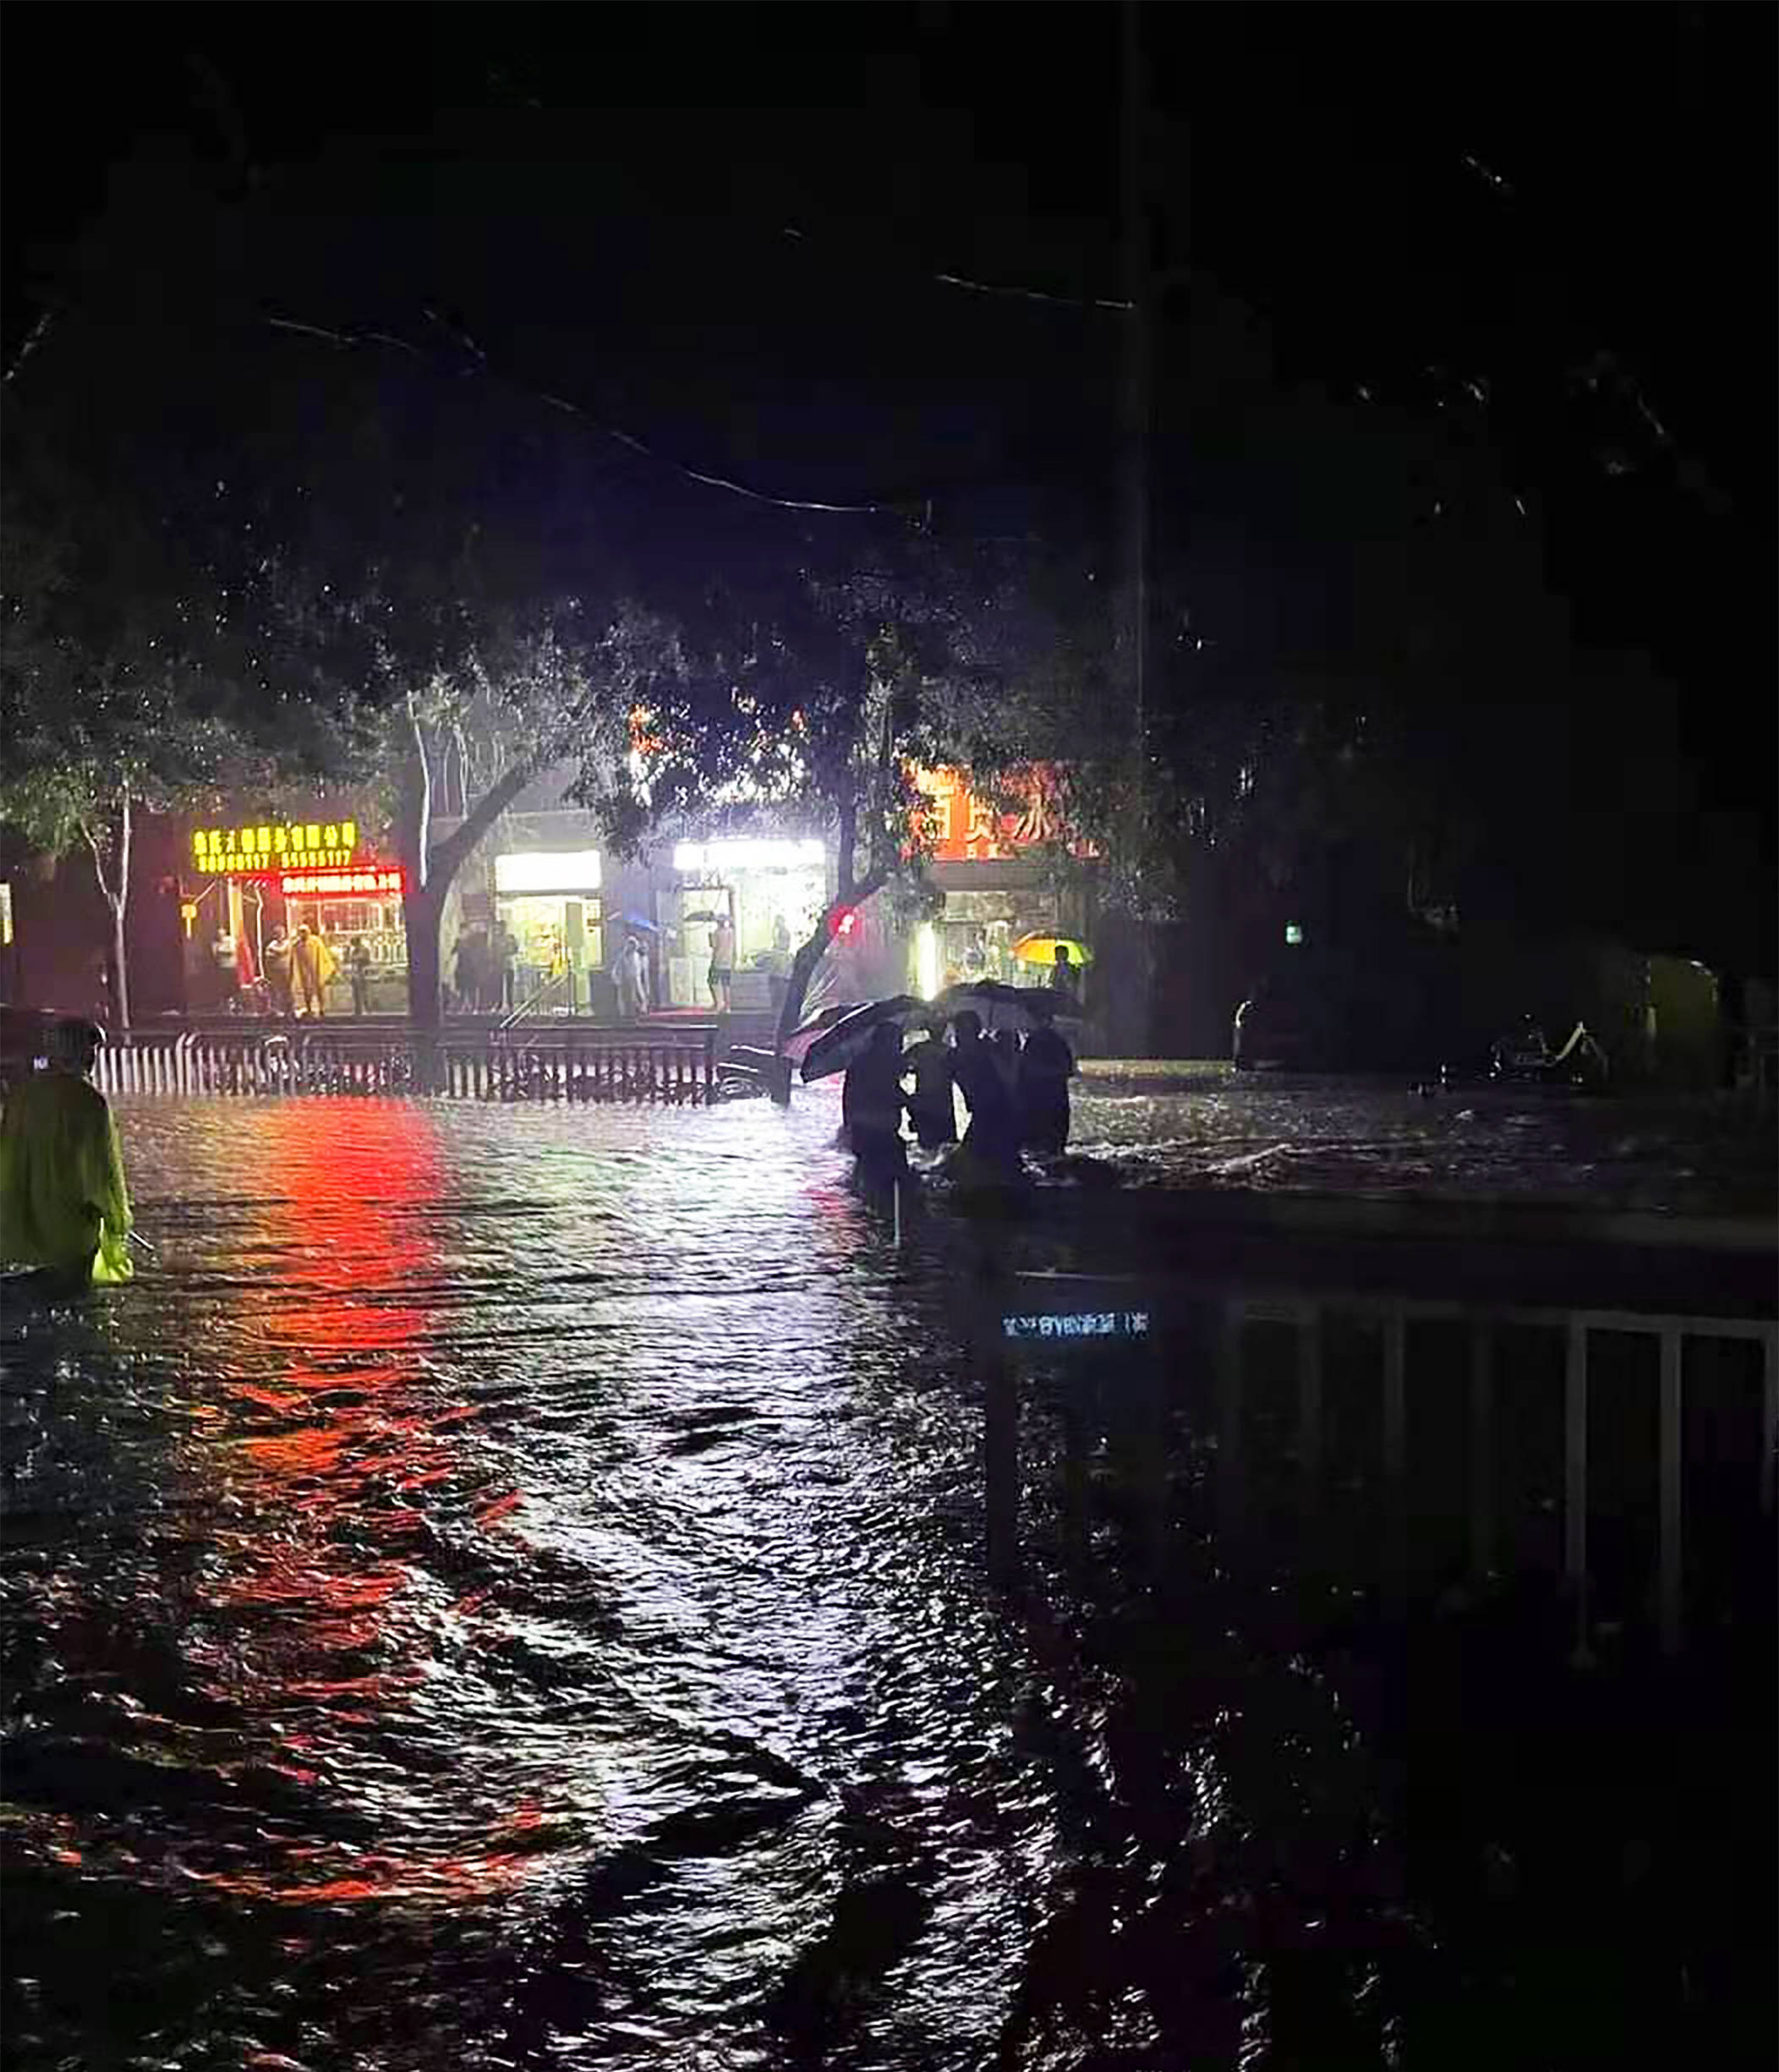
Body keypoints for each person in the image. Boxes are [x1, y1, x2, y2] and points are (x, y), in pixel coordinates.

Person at [0, 1017, 133, 1285]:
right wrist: (118, 1222)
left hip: (15, 1240)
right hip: (69, 1240)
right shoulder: (90, 1102)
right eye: (90, 1049)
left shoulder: (21, 1096)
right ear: (79, 1052)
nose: (93, 1057)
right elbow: (103, 1175)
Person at [949, 1010, 1019, 1174]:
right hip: (983, 1113)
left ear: (976, 1033)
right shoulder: (957, 1057)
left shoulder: (989, 1052)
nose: (959, 1037)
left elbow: (1009, 1080)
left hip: (998, 1113)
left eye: (964, 1032)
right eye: (958, 1032)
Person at [841, 1020, 909, 1186]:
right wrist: (910, 1101)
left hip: (861, 1131)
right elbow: (889, 1093)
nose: (900, 1048)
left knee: (867, 1176)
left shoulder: (860, 1062)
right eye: (898, 1042)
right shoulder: (884, 1064)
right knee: (893, 1178)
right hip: (880, 1131)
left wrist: (849, 1126)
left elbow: (848, 1097)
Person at [1019, 1020, 1076, 1157]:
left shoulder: (1035, 1042)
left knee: (1041, 1145)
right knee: (1053, 1144)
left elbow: (1024, 1071)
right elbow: (1069, 1070)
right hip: (1054, 1100)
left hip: (1043, 1101)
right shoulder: (1059, 1041)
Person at [905, 1029, 958, 1150]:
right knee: (944, 1149)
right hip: (942, 1106)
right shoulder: (948, 1051)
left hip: (927, 1104)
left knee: (929, 1146)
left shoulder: (919, 1049)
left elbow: (903, 1065)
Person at [289, 924, 337, 1018]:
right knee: (307, 990)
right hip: (304, 971)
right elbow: (293, 960)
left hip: (316, 969)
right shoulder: (297, 945)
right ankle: (309, 1008)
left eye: (305, 931)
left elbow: (323, 955)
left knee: (320, 989)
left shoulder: (316, 941)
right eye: (301, 932)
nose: (303, 934)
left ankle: (322, 1009)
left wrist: (325, 968)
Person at [616, 932, 649, 1022]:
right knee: (627, 997)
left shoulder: (637, 956)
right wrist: (618, 979)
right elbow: (617, 968)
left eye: (633, 945)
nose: (632, 947)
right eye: (630, 944)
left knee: (639, 994)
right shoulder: (623, 956)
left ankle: (641, 1010)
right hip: (626, 979)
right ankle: (627, 1013)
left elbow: (641, 968)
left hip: (636, 978)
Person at [452, 929, 485, 1016]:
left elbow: (477, 955)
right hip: (462, 969)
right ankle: (462, 1007)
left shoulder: (473, 942)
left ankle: (474, 1008)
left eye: (465, 931)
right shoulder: (459, 942)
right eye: (462, 932)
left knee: (472, 990)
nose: (464, 933)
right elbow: (453, 952)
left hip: (471, 969)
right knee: (462, 990)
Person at [263, 929, 294, 1018]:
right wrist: (275, 953)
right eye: (276, 934)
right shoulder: (272, 943)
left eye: (280, 934)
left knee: (286, 990)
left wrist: (274, 951)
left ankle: (288, 1010)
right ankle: (276, 1009)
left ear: (284, 934)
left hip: (285, 969)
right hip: (274, 970)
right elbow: (267, 954)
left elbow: (282, 951)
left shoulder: (287, 943)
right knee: (275, 990)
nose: (278, 935)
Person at [709, 913, 736, 1012]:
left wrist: (711, 940)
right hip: (728, 962)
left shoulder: (717, 933)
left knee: (712, 982)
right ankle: (728, 1007)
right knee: (726, 984)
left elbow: (714, 947)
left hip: (718, 961)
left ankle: (717, 1003)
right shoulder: (731, 932)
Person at [346, 936, 374, 1017]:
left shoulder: (364, 950)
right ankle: (358, 1010)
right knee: (356, 994)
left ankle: (367, 1009)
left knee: (363, 993)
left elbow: (364, 960)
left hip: (362, 973)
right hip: (355, 973)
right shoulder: (355, 951)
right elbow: (350, 959)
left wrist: (356, 959)